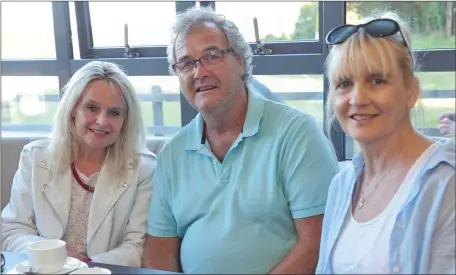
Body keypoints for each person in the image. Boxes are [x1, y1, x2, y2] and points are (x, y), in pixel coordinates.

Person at [142, 6, 339, 274]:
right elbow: (158, 253)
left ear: (241, 62)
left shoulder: (297, 134)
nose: (199, 72)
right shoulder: (172, 154)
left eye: (211, 56)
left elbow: (317, 243)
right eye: (186, 63)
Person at [316, 11, 455, 274]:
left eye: (376, 80)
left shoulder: (446, 184)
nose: (357, 98)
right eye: (344, 83)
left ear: (411, 91)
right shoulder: (342, 187)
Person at [1, 61, 156, 267]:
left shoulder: (144, 168)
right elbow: (12, 231)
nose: (102, 121)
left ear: (125, 119)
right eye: (92, 108)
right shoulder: (35, 158)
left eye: (114, 112)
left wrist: (82, 266)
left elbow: (137, 247)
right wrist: (54, 252)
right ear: (73, 108)